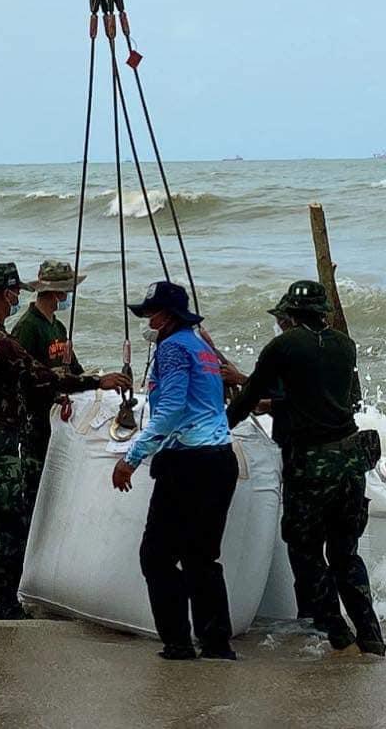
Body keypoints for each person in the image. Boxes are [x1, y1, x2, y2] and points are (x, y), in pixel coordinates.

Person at [0, 262, 129, 619]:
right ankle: (5, 603)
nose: (17, 298)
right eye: (15, 293)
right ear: (7, 294)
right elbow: (40, 376)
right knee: (7, 520)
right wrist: (97, 382)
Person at [227, 280, 386, 656]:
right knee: (346, 553)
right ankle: (371, 636)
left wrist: (217, 430)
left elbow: (248, 397)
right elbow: (342, 400)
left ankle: (336, 630)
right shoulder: (345, 345)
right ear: (322, 313)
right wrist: (277, 405)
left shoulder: (282, 347)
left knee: (305, 549)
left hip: (310, 465)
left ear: (289, 316)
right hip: (350, 461)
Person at [110, 280, 239, 661]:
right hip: (220, 459)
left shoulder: (172, 349)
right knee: (201, 557)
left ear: (167, 316)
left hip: (188, 463)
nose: (148, 321)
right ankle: (216, 644)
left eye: (151, 313)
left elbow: (170, 412)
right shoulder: (201, 347)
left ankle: (178, 643)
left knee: (156, 556)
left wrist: (131, 459)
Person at [10, 260, 87, 493]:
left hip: (58, 418)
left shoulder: (58, 328)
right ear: (57, 293)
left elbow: (74, 368)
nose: (68, 295)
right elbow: (19, 378)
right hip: (35, 421)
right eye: (67, 290)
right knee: (34, 485)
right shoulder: (28, 327)